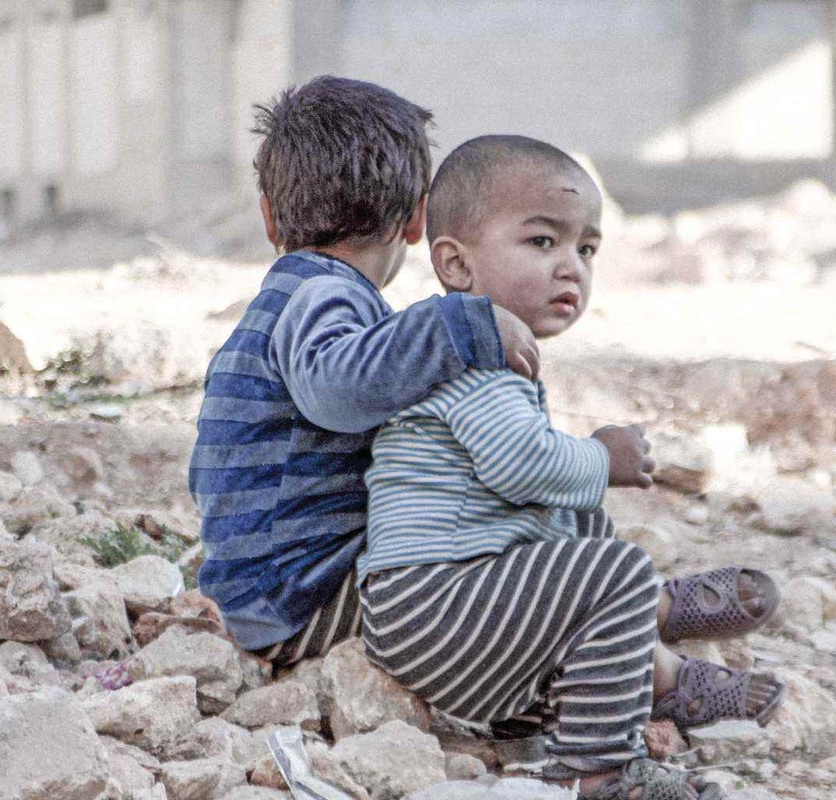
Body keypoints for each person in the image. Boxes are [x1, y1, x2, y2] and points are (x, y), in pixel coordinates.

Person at [359, 135, 784, 800]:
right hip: (433, 604)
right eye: (542, 242)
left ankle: (644, 655)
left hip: (470, 616)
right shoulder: (464, 350)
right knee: (612, 565)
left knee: (580, 528)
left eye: (586, 249)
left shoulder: (493, 353)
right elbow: (522, 467)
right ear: (456, 264)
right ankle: (597, 768)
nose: (572, 268)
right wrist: (601, 456)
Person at [188, 77, 541, 663]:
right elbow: (338, 391)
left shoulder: (285, 303)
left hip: (272, 595)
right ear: (416, 219)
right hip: (301, 601)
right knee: (508, 587)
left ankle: (638, 626)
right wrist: (459, 325)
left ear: (270, 218)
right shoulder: (324, 296)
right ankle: (649, 647)